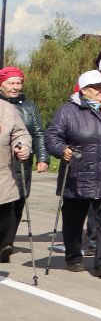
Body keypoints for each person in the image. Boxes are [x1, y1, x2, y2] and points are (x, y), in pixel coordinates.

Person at [45, 70, 101, 278]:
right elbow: (52, 137)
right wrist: (62, 149)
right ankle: (74, 257)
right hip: (78, 175)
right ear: (85, 90)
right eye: (97, 87)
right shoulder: (67, 111)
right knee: (73, 220)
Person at [0, 67, 47, 264]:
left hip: (15, 166)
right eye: (12, 83)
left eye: (19, 83)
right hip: (6, 165)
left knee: (14, 203)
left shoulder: (22, 107)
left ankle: (6, 243)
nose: (16, 87)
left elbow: (33, 133)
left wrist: (38, 155)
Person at [0, 90, 31, 263]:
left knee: (5, 218)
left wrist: (22, 146)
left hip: (2, 177)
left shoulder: (6, 109)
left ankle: (4, 246)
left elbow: (21, 134)